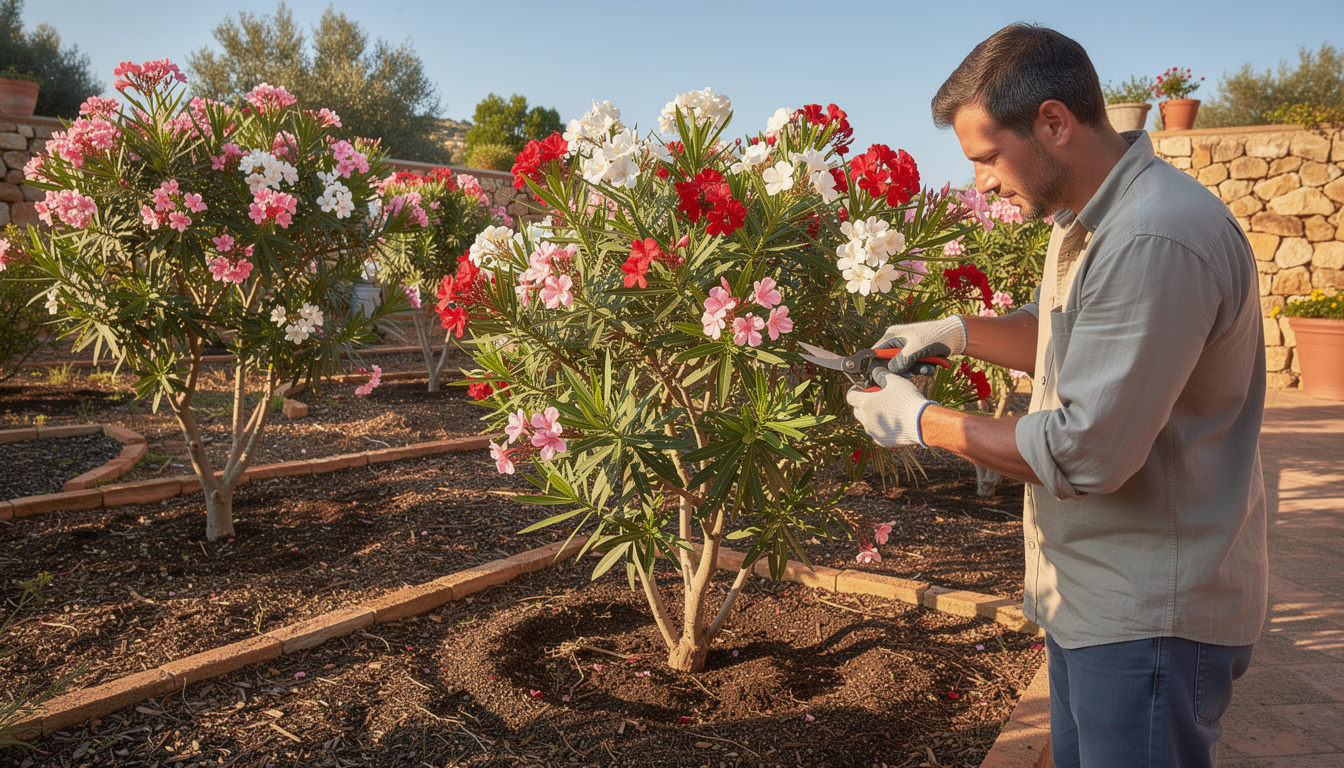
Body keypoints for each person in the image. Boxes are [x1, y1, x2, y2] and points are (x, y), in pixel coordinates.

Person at [846, 23, 1268, 768]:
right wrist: (954, 331)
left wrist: (920, 421)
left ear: (1052, 121)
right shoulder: (1089, 222)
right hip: (1097, 600)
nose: (979, 182)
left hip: (1149, 619)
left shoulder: (1151, 237)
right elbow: (1069, 337)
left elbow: (1087, 449)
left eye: (985, 157)